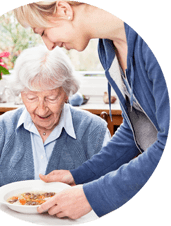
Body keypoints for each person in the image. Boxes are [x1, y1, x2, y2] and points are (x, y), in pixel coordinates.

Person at [14, 0, 170, 219]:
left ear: (64, 9)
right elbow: (135, 130)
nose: (48, 45)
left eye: (42, 31)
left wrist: (92, 195)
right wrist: (79, 176)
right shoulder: (108, 49)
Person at [0, 45, 110, 193]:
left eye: (51, 98)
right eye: (32, 97)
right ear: (21, 94)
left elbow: (113, 187)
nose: (42, 109)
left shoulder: (95, 130)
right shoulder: (2, 129)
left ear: (66, 94)